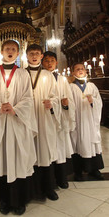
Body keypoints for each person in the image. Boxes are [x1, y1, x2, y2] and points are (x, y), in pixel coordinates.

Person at [0, 40, 37, 215]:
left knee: (18, 158)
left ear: (18, 52)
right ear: (1, 51)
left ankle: (19, 199)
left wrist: (16, 109)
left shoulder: (22, 73)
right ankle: (4, 199)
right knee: (2, 159)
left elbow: (28, 97)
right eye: (7, 49)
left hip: (16, 121)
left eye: (14, 49)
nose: (10, 52)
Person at [26, 45, 60, 201]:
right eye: (31, 53)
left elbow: (56, 96)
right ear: (26, 56)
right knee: (27, 151)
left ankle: (48, 188)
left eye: (37, 54)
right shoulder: (21, 74)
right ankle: (29, 189)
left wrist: (51, 103)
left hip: (43, 117)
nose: (34, 56)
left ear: (41, 57)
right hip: (26, 118)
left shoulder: (48, 75)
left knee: (44, 150)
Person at [42, 51, 75, 189]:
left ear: (56, 62)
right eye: (46, 61)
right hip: (45, 117)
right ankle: (48, 180)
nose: (49, 63)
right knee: (46, 149)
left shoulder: (62, 80)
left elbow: (70, 99)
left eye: (52, 61)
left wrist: (67, 105)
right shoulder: (39, 78)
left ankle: (61, 178)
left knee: (60, 148)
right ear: (42, 62)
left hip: (59, 119)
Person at [70, 63, 104, 181]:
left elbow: (99, 102)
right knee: (77, 144)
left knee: (92, 144)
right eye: (77, 69)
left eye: (82, 69)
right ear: (73, 73)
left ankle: (94, 169)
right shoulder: (71, 87)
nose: (80, 71)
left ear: (86, 71)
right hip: (78, 121)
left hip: (90, 121)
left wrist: (92, 101)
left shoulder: (92, 86)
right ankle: (78, 171)